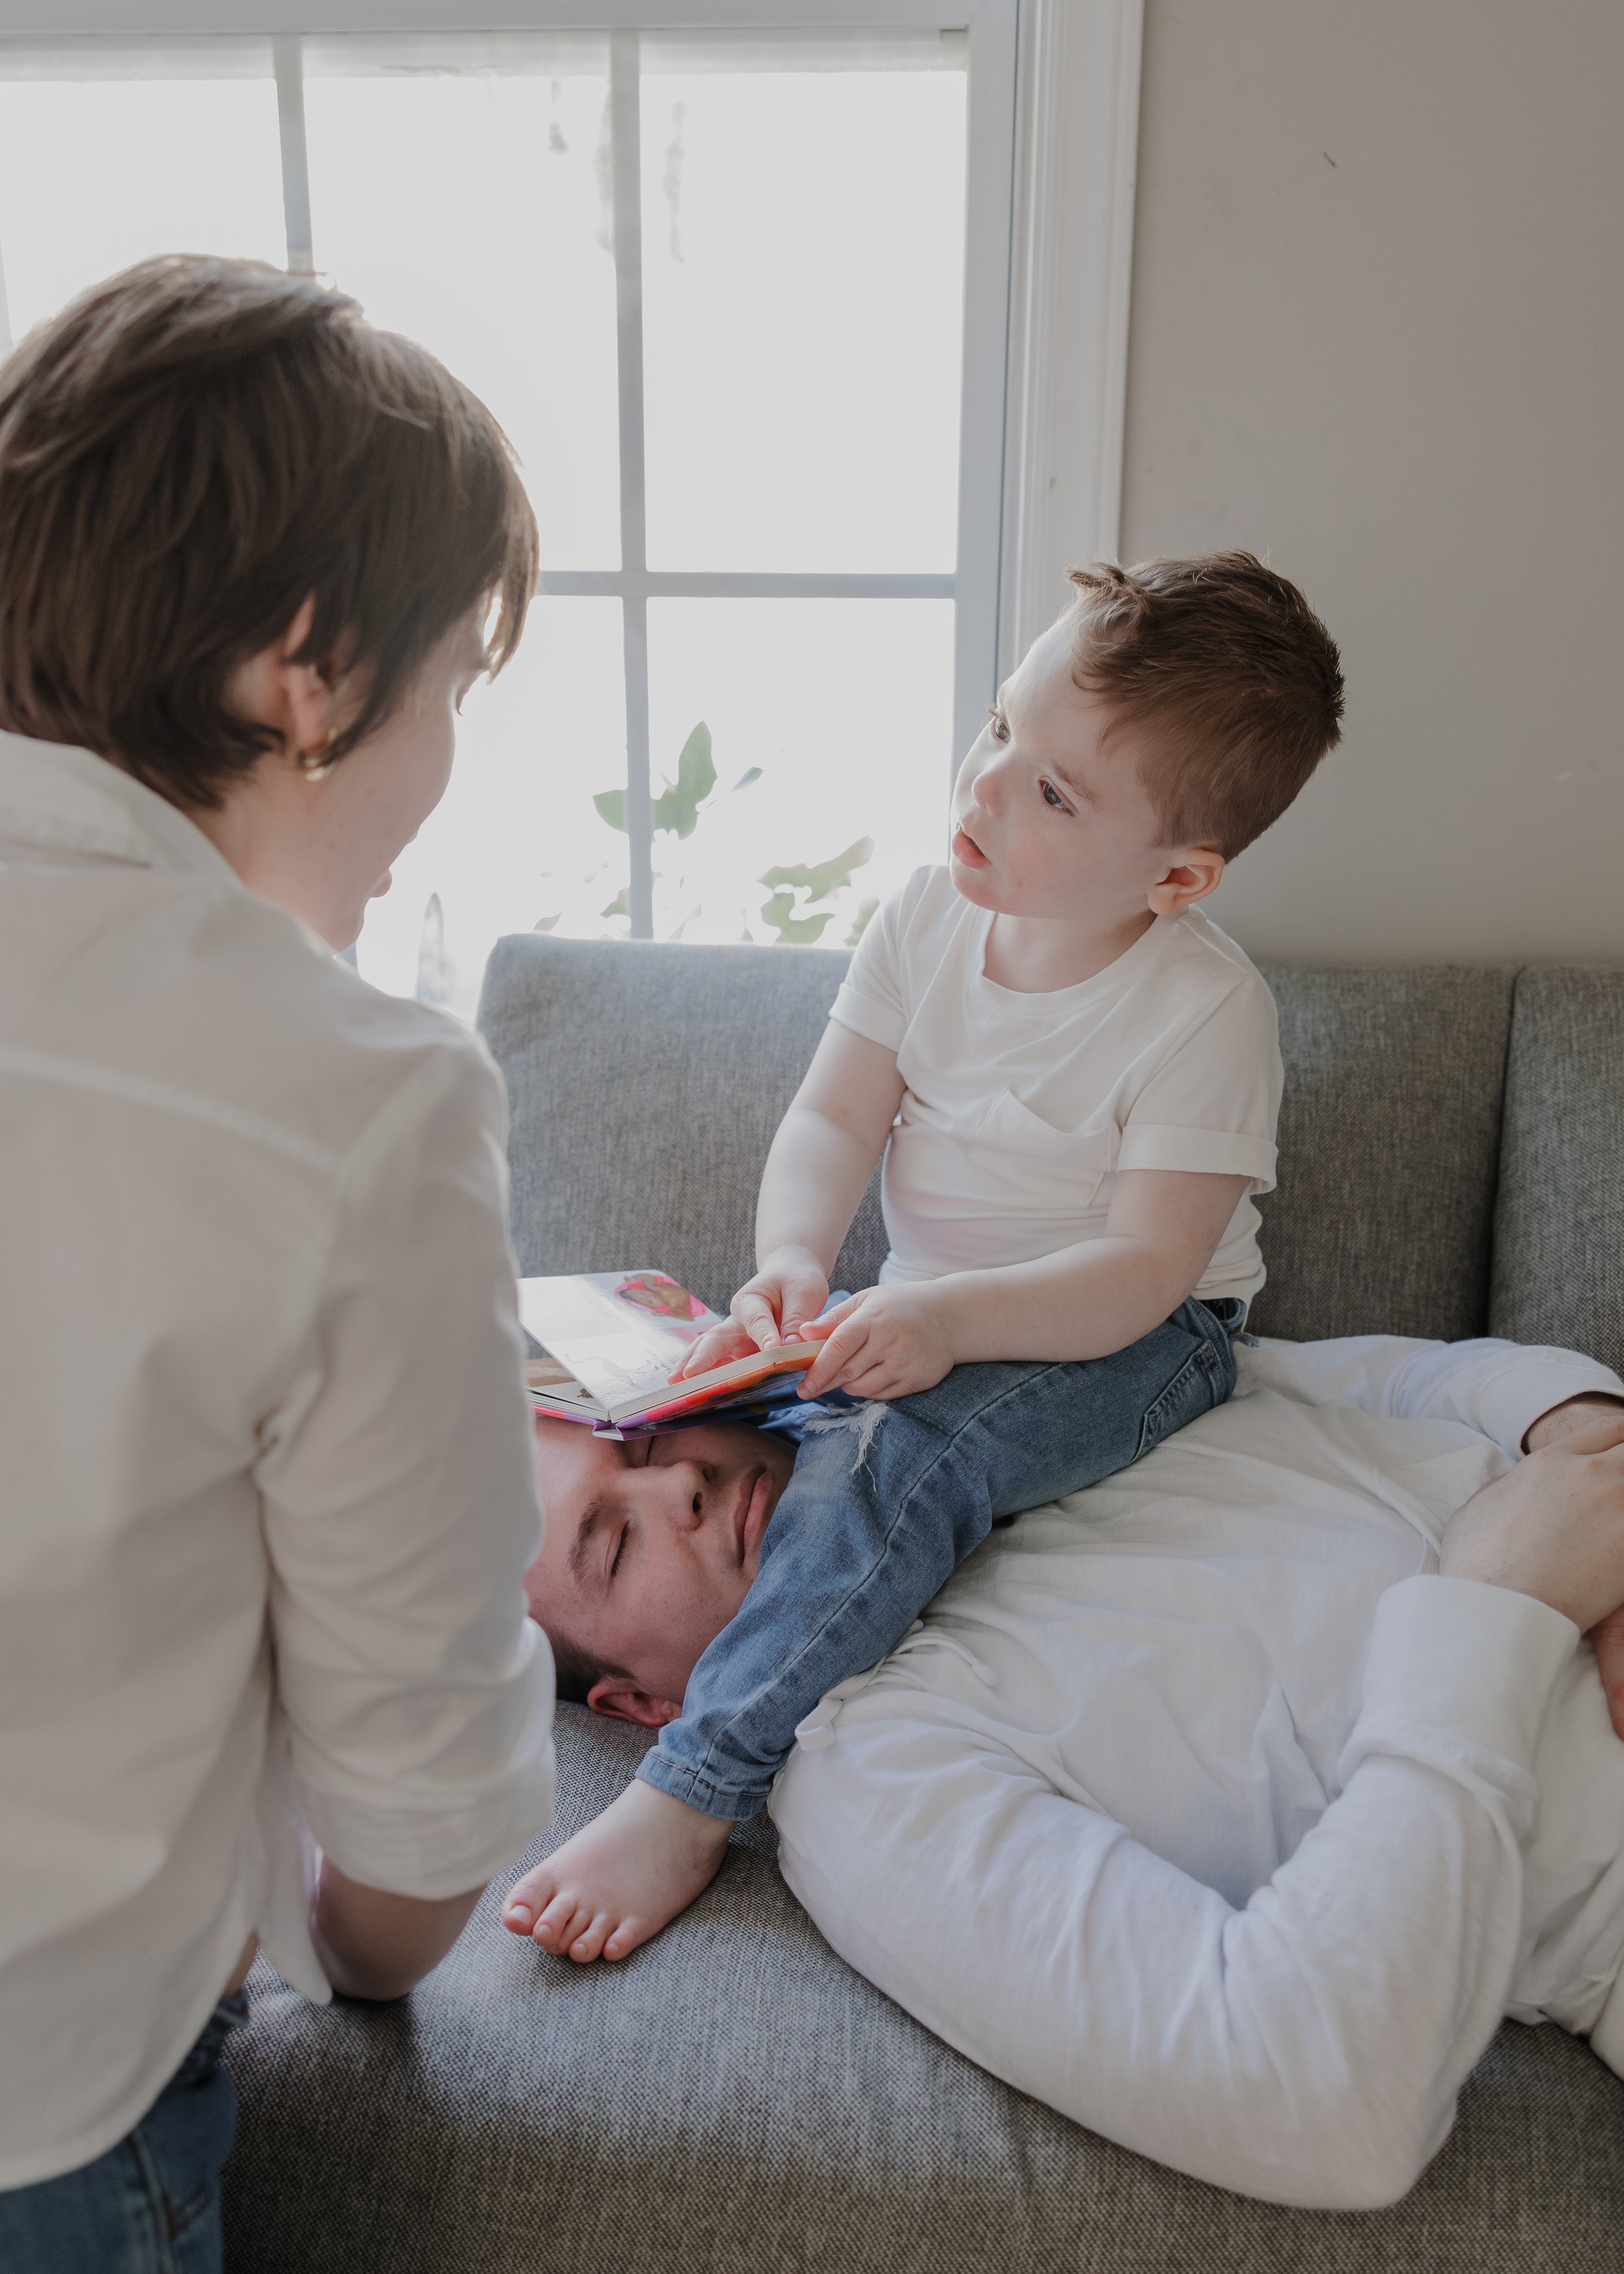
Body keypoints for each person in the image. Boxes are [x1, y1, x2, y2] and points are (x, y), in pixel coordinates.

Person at [506, 552, 1346, 1957]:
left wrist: (945, 1321)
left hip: (1137, 1338)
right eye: (1000, 727)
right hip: (938, 1304)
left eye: (1052, 790)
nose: (987, 785)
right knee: (706, 1385)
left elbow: (1141, 1268)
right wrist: (788, 1257)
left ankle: (699, 1785)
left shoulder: (1203, 1011)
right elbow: (834, 1113)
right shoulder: (926, 915)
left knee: (902, 1457)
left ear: (1177, 874)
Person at [0, 257, 555, 2270]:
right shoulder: (353, 1099)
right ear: (308, 672)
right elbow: (416, 1816)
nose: (432, 778)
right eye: (447, 696)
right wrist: (361, 1946)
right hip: (44, 2102)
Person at [513, 1334, 1624, 2206]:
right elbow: (1320, 2100)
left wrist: (1582, 1440)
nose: (683, 1490)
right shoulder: (872, 1771)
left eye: (648, 1444)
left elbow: (1373, 1375)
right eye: (613, 1545)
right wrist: (1503, 1607)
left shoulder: (978, 1412)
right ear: (647, 1707)